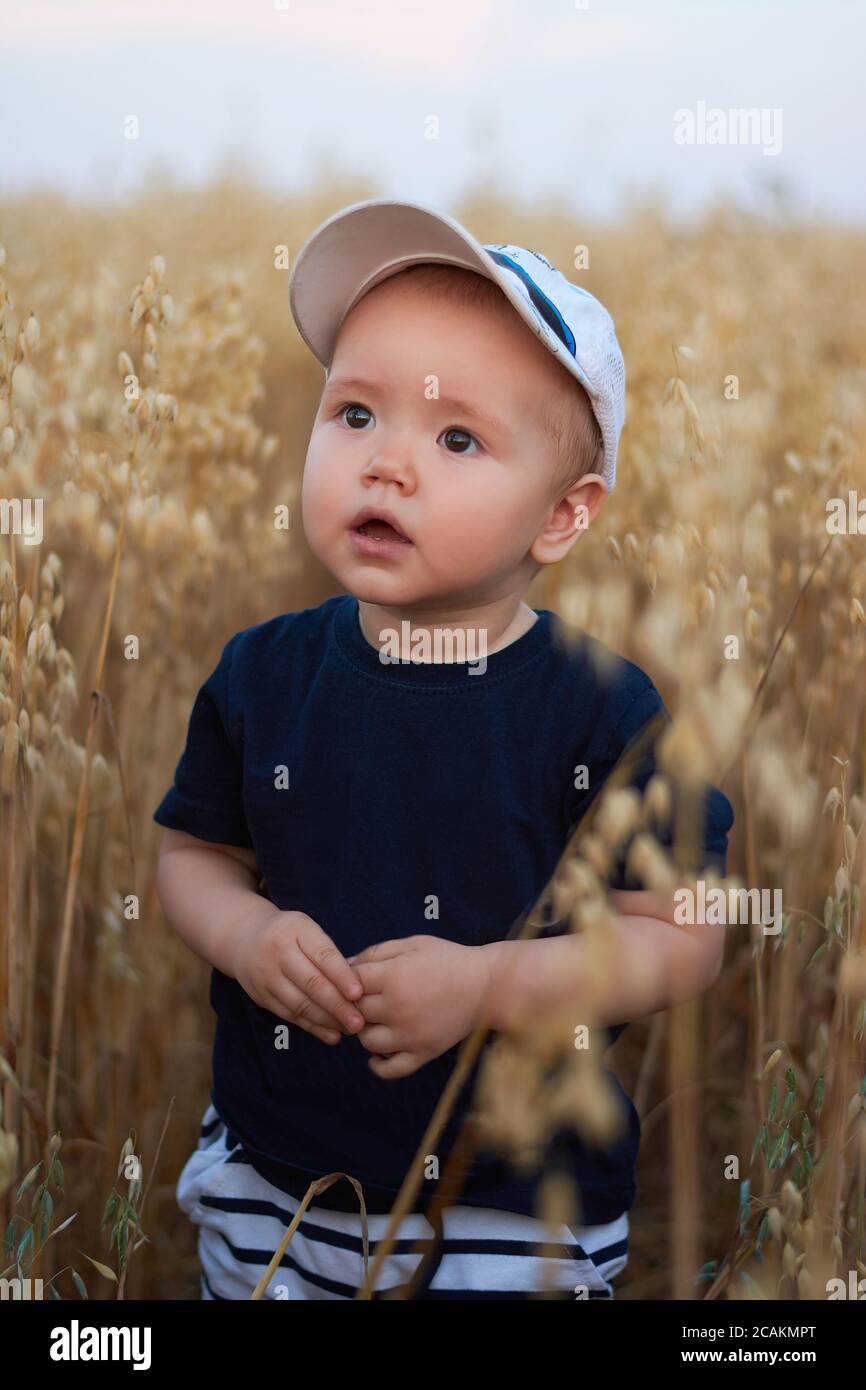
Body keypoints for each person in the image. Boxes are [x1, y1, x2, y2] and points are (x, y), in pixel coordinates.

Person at [154, 198, 734, 1300]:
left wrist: (483, 989)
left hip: (511, 1209)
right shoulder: (262, 673)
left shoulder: (602, 713)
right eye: (355, 415)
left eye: (455, 438)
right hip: (276, 1189)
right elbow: (193, 859)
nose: (386, 466)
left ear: (559, 517)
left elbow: (684, 937)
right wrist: (247, 935)